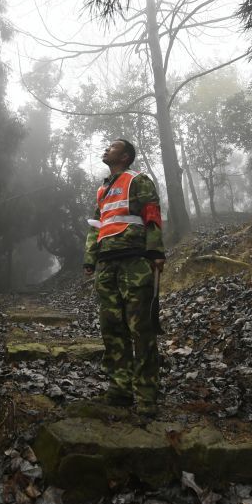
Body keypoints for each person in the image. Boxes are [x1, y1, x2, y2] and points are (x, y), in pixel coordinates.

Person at [83, 138, 165, 416]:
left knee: (140, 328)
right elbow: (97, 225)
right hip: (107, 265)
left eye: (113, 146)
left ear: (126, 156)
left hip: (134, 261)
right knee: (112, 328)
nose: (106, 149)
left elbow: (152, 214)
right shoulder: (103, 190)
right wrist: (90, 257)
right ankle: (119, 389)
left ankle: (146, 396)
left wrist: (155, 252)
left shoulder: (137, 180)